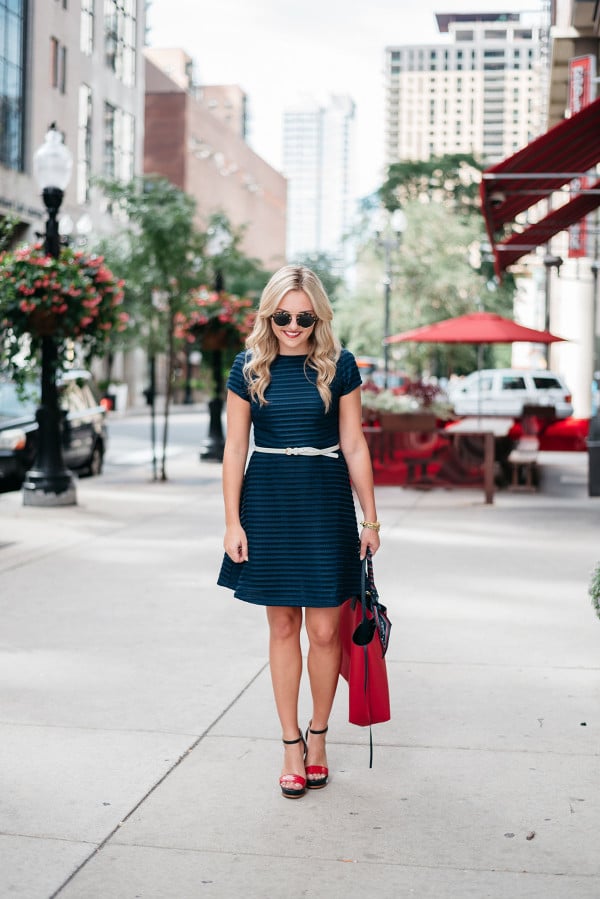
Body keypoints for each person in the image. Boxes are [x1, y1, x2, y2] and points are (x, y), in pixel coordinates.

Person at [217, 264, 380, 799]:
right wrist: (232, 522)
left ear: (318, 316)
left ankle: (319, 737)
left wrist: (371, 518)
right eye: (282, 315)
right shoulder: (248, 367)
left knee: (326, 632)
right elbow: (234, 449)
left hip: (324, 501)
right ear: (269, 314)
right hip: (268, 501)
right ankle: (290, 745)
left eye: (303, 317)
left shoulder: (340, 365)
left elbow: (354, 445)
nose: (292, 325)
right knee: (283, 627)